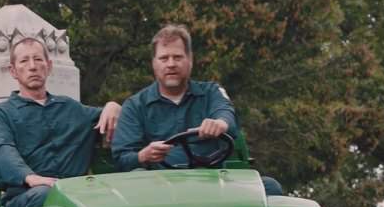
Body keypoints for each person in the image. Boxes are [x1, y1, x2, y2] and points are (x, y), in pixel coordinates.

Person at [111, 24, 283, 195]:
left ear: (190, 60)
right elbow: (122, 160)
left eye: (177, 57)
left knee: (270, 188)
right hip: (158, 188)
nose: (171, 64)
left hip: (214, 182)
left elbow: (226, 113)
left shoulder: (211, 92)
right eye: (164, 58)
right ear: (154, 63)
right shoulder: (135, 106)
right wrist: (143, 156)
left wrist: (220, 124)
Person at [0, 37, 122, 207]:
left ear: (48, 66)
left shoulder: (71, 109)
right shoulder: (0, 114)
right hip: (27, 197)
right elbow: (2, 151)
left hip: (77, 195)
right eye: (24, 61)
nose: (32, 66)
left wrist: (114, 106)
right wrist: (30, 177)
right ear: (13, 71)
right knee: (48, 194)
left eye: (38, 59)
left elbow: (110, 116)